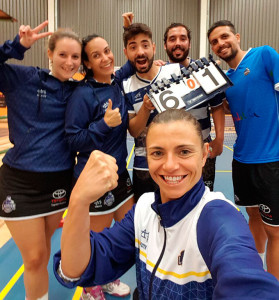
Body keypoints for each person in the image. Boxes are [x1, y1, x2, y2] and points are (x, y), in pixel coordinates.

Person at [54, 109, 279, 299]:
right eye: (158, 153)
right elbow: (76, 268)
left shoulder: (218, 218)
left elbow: (246, 282)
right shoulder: (144, 208)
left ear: (204, 155)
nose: (170, 165)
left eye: (184, 151)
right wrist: (79, 201)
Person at [0, 21, 82, 300]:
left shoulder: (77, 92)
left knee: (43, 251)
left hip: (59, 181)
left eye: (75, 57)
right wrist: (17, 45)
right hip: (19, 182)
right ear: (49, 53)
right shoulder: (24, 79)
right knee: (34, 257)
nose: (69, 62)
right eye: (63, 55)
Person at [207, 20, 279, 279]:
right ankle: (255, 274)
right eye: (214, 41)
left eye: (224, 37)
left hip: (271, 160)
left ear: (237, 36)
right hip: (242, 160)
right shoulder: (227, 80)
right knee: (254, 217)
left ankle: (272, 289)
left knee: (276, 231)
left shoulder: (264, 55)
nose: (220, 44)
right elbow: (227, 106)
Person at [65, 34, 135, 299]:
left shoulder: (116, 81)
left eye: (107, 51)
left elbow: (130, 63)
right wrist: (104, 124)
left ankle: (108, 279)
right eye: (97, 55)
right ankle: (89, 289)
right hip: (93, 179)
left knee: (124, 232)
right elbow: (73, 140)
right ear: (87, 63)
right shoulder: (82, 94)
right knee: (94, 240)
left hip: (120, 176)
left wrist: (127, 30)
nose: (106, 58)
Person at [122, 13, 225, 192]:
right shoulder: (137, 81)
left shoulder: (191, 71)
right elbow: (134, 130)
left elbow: (217, 104)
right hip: (156, 159)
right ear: (164, 45)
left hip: (196, 151)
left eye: (182, 38)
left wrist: (220, 139)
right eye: (172, 39)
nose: (177, 43)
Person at [121, 20, 182, 201]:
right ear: (126, 53)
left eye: (145, 45)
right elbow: (133, 130)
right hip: (144, 167)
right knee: (146, 223)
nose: (140, 52)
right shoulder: (126, 85)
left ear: (154, 48)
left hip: (177, 163)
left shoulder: (174, 72)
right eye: (133, 47)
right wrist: (146, 109)